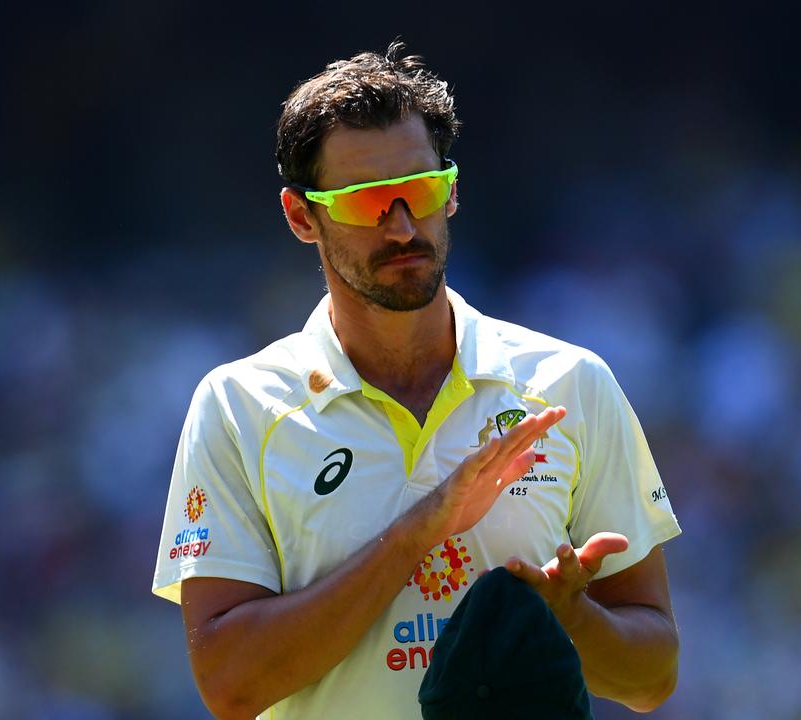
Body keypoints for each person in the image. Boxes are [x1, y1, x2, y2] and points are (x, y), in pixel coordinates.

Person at [152, 40, 682, 720]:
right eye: (366, 201)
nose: (401, 225)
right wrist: (415, 535)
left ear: (451, 190)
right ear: (300, 216)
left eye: (419, 192)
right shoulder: (239, 407)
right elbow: (231, 685)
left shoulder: (570, 384)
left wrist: (570, 616)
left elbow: (652, 677)